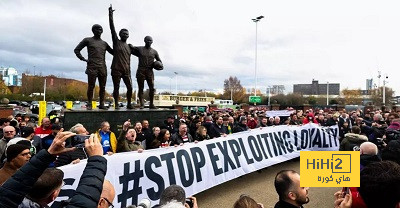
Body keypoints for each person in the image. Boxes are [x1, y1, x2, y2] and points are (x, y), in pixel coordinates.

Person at [74, 24, 113, 110]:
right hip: (92, 66)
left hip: (102, 67)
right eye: (97, 29)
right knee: (91, 86)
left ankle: (102, 104)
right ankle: (89, 103)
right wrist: (83, 59)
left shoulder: (104, 43)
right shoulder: (88, 40)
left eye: (100, 29)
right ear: (93, 31)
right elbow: (77, 50)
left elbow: (114, 52)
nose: (99, 31)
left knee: (103, 87)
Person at [108, 5, 133, 109]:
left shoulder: (129, 46)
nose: (125, 34)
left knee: (130, 88)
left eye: (127, 33)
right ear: (120, 34)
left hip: (126, 70)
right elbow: (112, 27)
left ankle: (129, 104)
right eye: (123, 33)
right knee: (116, 87)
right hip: (116, 69)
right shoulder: (116, 42)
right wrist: (110, 14)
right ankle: (116, 104)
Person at [131, 36, 162, 109]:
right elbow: (131, 48)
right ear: (144, 40)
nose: (149, 42)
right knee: (140, 88)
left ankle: (151, 104)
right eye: (147, 40)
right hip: (141, 70)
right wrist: (130, 46)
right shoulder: (140, 49)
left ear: (152, 41)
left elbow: (160, 62)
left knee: (152, 88)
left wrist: (158, 66)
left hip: (149, 71)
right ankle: (142, 104)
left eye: (150, 40)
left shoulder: (154, 52)